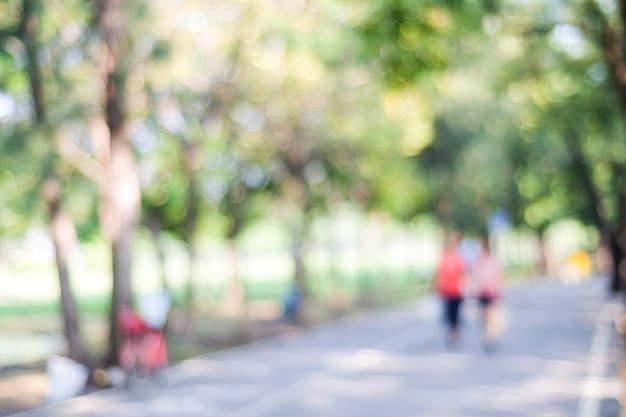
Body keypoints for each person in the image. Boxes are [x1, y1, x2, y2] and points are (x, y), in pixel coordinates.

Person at [472, 237, 504, 352]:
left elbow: (498, 277)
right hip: (481, 293)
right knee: (483, 317)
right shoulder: (479, 261)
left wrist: (499, 291)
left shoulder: (492, 261)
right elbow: (475, 277)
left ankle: (491, 337)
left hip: (491, 292)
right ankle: (489, 335)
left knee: (490, 316)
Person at [435, 232, 465, 348]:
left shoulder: (458, 257)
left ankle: (455, 332)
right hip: (446, 291)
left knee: (456, 313)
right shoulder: (443, 257)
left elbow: (462, 273)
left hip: (457, 290)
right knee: (448, 314)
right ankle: (452, 333)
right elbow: (439, 273)